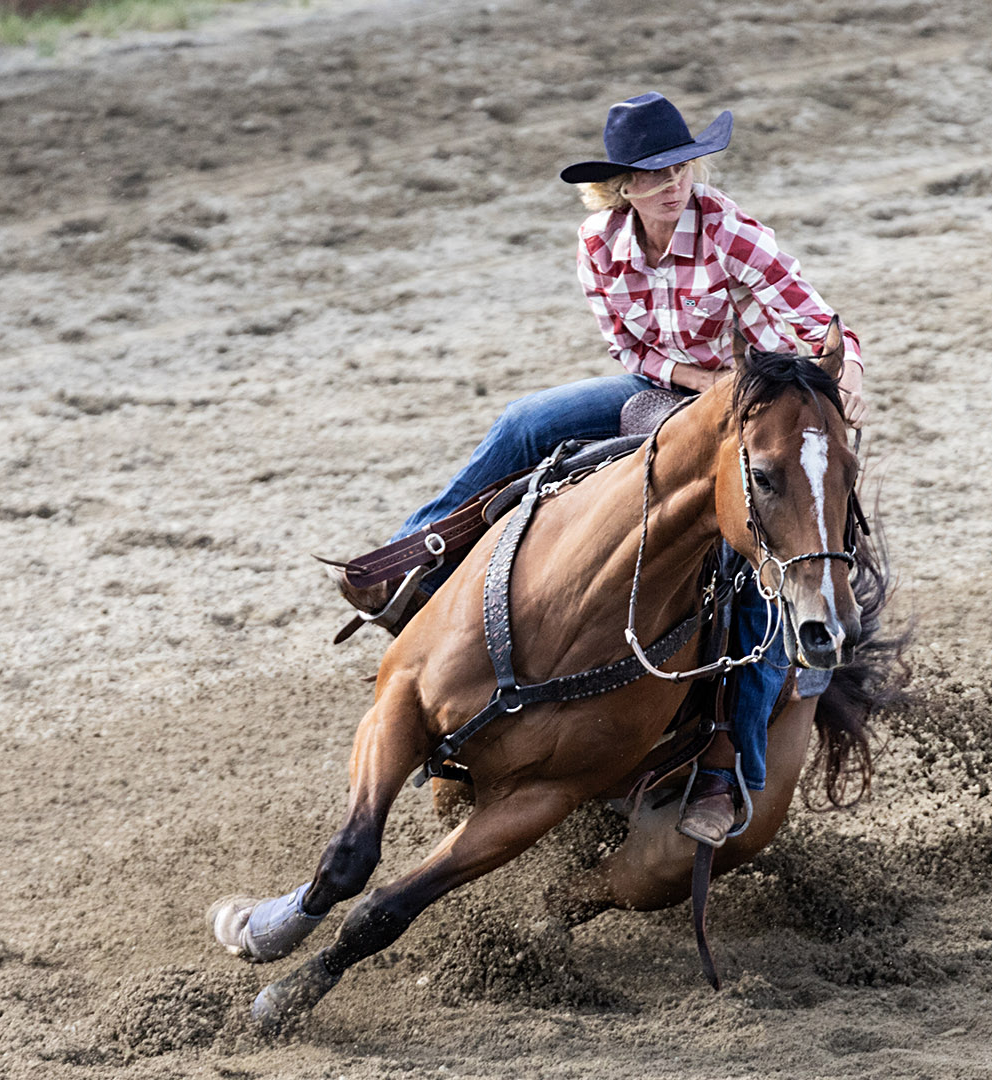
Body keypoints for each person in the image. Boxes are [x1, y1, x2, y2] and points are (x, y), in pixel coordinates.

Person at [336, 91, 864, 842]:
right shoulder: (596, 244)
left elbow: (815, 324)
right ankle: (412, 560)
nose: (669, 184)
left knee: (740, 553)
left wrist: (846, 382)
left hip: (741, 414)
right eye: (649, 175)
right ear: (620, 186)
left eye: (679, 167)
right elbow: (631, 351)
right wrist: (692, 385)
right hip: (666, 392)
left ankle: (729, 760)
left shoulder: (734, 235)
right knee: (523, 423)